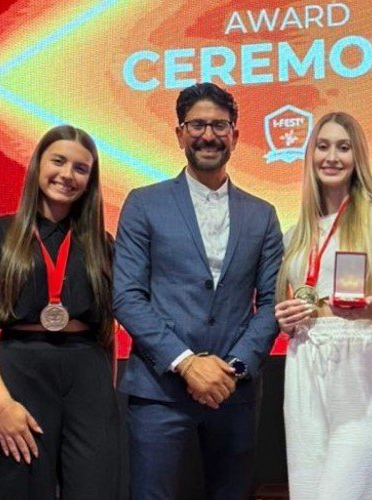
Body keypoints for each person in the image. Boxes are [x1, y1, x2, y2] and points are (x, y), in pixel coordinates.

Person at [113, 82, 283, 500]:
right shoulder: (143, 204)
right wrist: (187, 364)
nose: (208, 135)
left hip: (234, 389)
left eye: (219, 125)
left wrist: (234, 367)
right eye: (198, 124)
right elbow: (127, 297)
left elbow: (272, 302)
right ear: (179, 133)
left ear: (236, 135)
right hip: (159, 388)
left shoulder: (262, 214)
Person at [0, 125, 119, 499]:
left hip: (86, 373)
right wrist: (0, 403)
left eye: (81, 168)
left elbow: (108, 330)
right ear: (37, 165)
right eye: (58, 161)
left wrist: (103, 396)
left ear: (90, 180)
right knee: (22, 489)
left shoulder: (101, 245)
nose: (67, 175)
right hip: (19, 371)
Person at [274, 112, 372, 499]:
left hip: (360, 366)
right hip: (303, 364)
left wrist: (371, 311)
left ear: (357, 157)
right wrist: (284, 319)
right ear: (310, 155)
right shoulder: (294, 235)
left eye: (343, 147)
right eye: (323, 146)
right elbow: (289, 308)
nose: (332, 157)